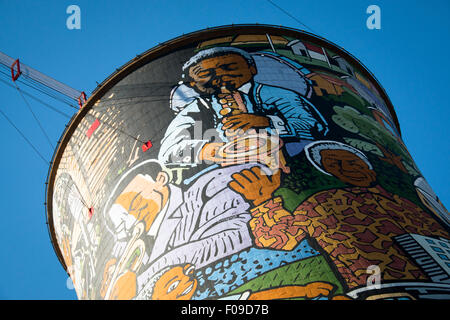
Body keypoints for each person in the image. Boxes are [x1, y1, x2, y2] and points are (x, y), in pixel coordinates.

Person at [228, 140, 450, 291]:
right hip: (382, 290)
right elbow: (280, 239)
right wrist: (262, 202)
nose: (345, 168)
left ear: (369, 167)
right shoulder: (323, 202)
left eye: (352, 162)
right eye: (334, 165)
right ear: (329, 172)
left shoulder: (406, 204)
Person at [158, 47, 328, 168]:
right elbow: (167, 151)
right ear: (194, 84)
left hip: (294, 160)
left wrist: (265, 121)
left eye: (229, 67)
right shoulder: (197, 108)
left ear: (252, 68)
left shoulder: (278, 95)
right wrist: (208, 150)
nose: (219, 76)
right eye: (205, 74)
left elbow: (314, 126)